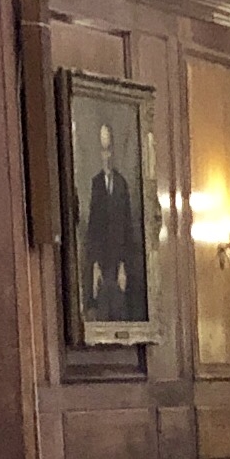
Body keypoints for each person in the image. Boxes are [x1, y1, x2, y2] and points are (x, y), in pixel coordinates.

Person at [77, 118, 145, 328]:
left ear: (113, 150)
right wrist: (95, 265)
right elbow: (93, 228)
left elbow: (127, 228)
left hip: (119, 262)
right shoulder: (96, 183)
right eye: (102, 150)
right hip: (102, 262)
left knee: (120, 310)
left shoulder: (122, 184)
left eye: (108, 149)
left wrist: (123, 266)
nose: (105, 156)